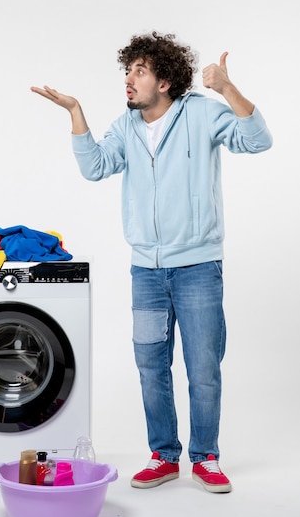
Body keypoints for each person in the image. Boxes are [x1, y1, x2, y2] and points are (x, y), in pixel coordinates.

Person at [31, 32, 272, 493]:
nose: (129, 79)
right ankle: (163, 454)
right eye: (128, 70)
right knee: (151, 366)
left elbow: (257, 140)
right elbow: (96, 167)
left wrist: (225, 88)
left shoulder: (201, 113)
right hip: (146, 270)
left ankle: (206, 457)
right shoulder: (126, 126)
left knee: (203, 367)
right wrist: (76, 113)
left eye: (140, 70)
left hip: (199, 266)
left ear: (165, 81)